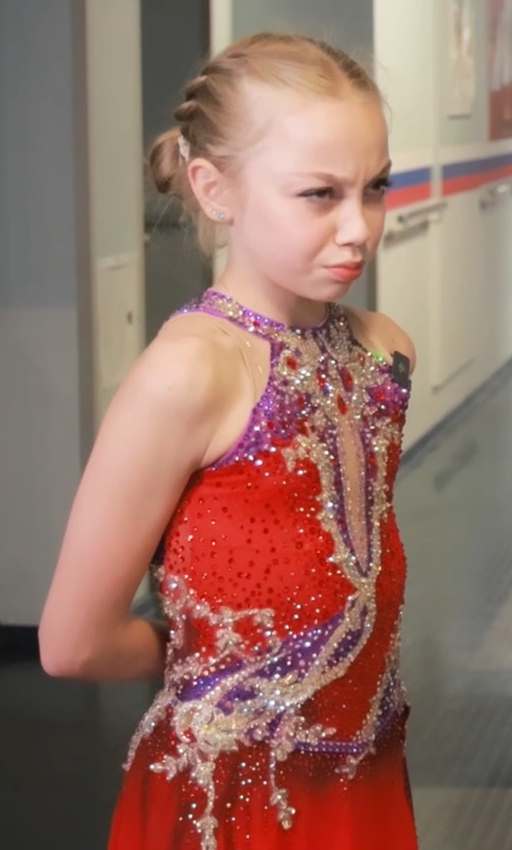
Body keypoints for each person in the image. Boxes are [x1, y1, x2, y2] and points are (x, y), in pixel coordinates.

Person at [39, 31, 418, 850]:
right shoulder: (189, 375)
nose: (358, 227)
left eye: (375, 188)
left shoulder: (384, 354)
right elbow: (72, 643)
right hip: (233, 799)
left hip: (365, 773)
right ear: (216, 191)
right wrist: (217, 661)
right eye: (318, 194)